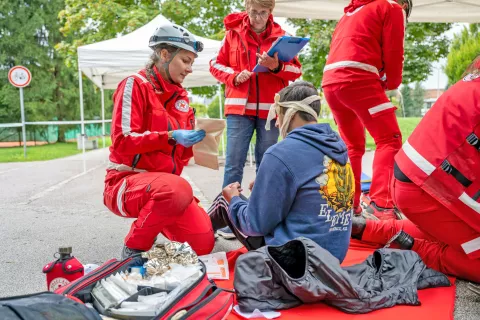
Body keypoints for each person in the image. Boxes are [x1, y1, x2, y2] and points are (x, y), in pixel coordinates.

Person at [350, 55, 480, 283]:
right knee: (469, 243)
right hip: (429, 186)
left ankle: (370, 229)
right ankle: (415, 250)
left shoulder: (474, 79)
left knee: (454, 232)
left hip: (414, 177)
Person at [103, 23, 214, 263]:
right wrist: (172, 137)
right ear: (164, 54)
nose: (190, 69)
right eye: (185, 61)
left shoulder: (181, 97)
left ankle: (157, 220)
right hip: (124, 183)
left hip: (165, 188)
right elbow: (121, 141)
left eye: (191, 63)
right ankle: (134, 247)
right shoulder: (134, 84)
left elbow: (179, 157)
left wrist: (197, 145)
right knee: (177, 188)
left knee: (203, 243)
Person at [208, 81, 354, 262]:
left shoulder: (281, 153)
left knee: (225, 199)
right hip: (333, 257)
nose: (277, 123)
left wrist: (234, 199)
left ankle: (192, 242)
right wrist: (267, 186)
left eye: (278, 114)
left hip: (293, 261)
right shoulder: (338, 148)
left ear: (291, 114)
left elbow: (254, 225)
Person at [209, 0, 302, 239]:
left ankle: (259, 217)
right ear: (246, 9)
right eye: (253, 13)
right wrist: (233, 75)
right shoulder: (232, 34)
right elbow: (215, 64)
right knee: (233, 164)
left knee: (267, 164)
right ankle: (228, 219)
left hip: (269, 111)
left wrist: (276, 66)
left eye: (263, 13)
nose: (258, 18)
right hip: (238, 110)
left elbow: (295, 71)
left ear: (270, 12)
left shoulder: (284, 37)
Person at [322, 0, 413, 220]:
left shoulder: (349, 14)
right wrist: (391, 83)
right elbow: (393, 51)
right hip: (357, 77)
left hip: (331, 81)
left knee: (352, 145)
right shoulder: (392, 7)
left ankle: (346, 206)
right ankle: (382, 205)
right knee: (389, 139)